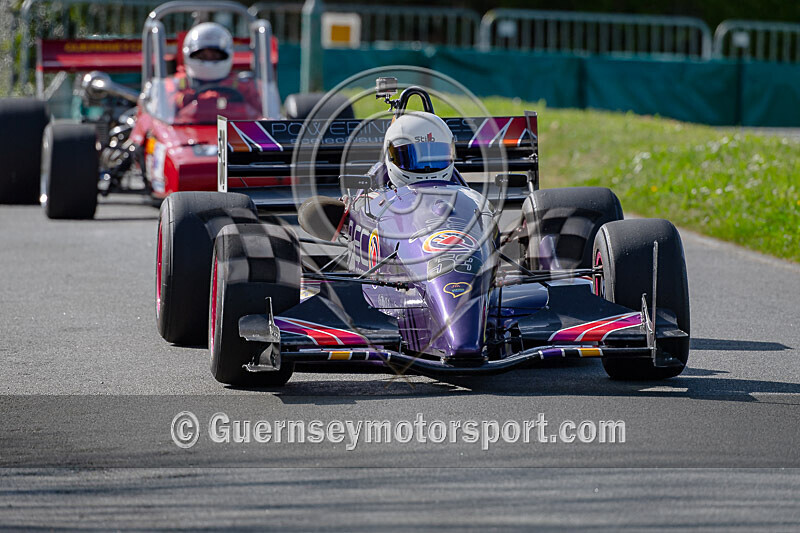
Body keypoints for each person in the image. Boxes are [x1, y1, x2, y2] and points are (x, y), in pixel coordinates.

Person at [170, 22, 262, 117]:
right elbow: (164, 117)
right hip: (186, 129)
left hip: (234, 130)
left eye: (215, 56)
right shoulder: (177, 85)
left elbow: (259, 116)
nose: (209, 60)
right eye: (203, 56)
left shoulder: (241, 86)